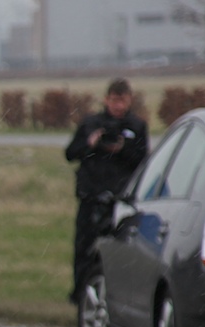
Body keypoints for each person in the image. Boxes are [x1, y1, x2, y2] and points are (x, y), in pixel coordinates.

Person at [65, 77, 149, 304]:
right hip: (91, 196)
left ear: (130, 100)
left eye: (122, 101)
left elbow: (144, 162)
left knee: (121, 252)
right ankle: (81, 295)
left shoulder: (137, 126)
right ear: (106, 99)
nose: (118, 106)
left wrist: (123, 149)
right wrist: (90, 144)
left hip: (120, 200)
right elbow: (70, 153)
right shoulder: (91, 123)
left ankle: (119, 297)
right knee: (84, 249)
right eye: (114, 101)